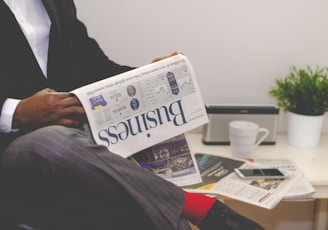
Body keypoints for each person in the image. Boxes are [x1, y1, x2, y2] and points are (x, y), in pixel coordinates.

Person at [0, 0, 265, 229]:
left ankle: (200, 216)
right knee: (53, 142)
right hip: (14, 148)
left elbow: (92, 66)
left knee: (138, 205)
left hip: (74, 143)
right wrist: (17, 112)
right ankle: (204, 210)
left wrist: (145, 77)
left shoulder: (57, 3)